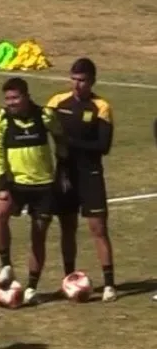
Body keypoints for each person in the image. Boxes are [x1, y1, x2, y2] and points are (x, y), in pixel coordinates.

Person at [46, 58, 117, 302]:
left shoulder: (101, 107)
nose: (77, 85)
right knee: (67, 228)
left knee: (98, 229)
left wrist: (70, 143)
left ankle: (109, 284)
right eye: (74, 79)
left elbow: (103, 146)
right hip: (65, 175)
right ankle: (69, 279)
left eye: (82, 80)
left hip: (90, 175)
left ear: (92, 81)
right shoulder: (57, 103)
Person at [0, 78, 64, 304]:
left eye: (15, 98)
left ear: (26, 96)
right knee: (0, 213)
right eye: (8, 99)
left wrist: (63, 170)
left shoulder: (45, 116)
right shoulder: (0, 118)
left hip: (44, 185)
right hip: (16, 184)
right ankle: (6, 265)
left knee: (38, 235)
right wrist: (2, 184)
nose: (11, 102)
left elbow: (60, 138)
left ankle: (31, 287)